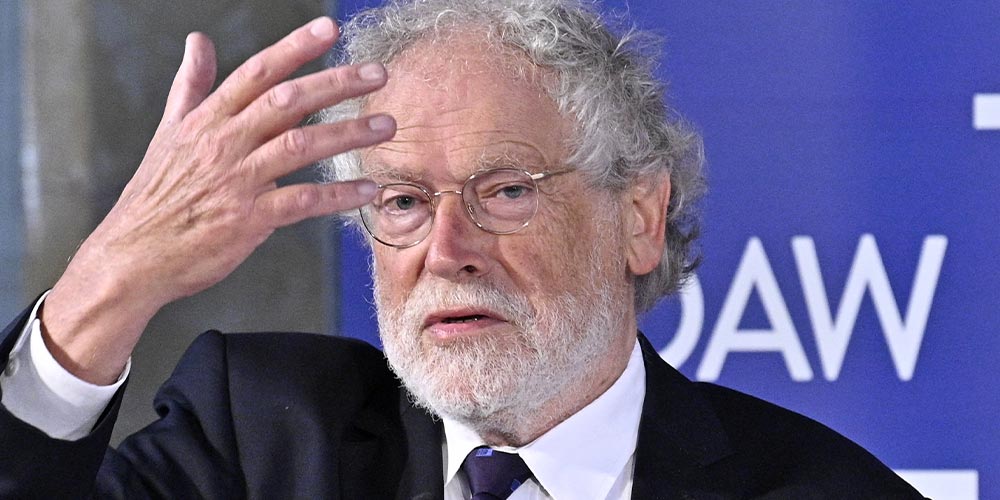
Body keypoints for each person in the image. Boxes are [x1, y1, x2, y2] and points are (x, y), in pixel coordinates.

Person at [0, 0, 924, 498]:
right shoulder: (260, 442)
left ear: (640, 217)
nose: (447, 250)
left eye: (507, 191)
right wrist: (110, 282)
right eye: (403, 201)